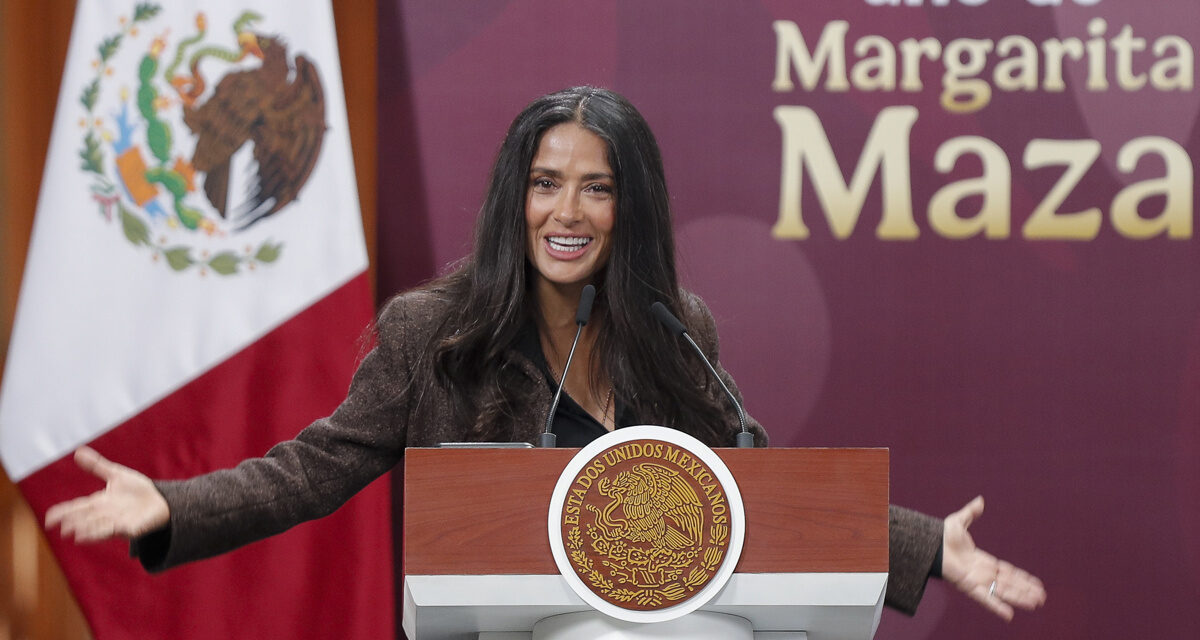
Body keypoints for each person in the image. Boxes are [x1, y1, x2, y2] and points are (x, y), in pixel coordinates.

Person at [45, 86, 1045, 621]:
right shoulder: (434, 336)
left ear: (630, 206)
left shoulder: (677, 330)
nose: (567, 212)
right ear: (513, 198)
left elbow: (752, 493)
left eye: (597, 187)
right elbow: (312, 469)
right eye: (545, 183)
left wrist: (923, 546)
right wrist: (172, 503)